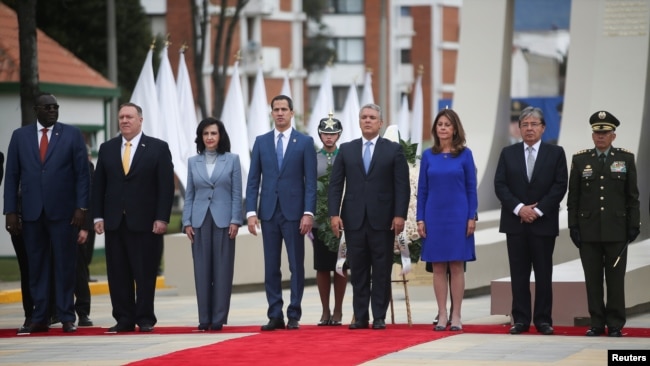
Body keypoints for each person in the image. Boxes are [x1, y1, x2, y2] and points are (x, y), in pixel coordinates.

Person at [3, 93, 90, 334]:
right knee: (36, 266)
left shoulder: (72, 135)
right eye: (47, 107)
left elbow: (82, 174)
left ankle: (66, 316)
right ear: (36, 110)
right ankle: (39, 316)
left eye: (56, 107)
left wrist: (82, 208)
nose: (52, 110)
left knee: (64, 265)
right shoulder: (20, 137)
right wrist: (10, 211)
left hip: (64, 213)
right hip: (31, 213)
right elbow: (11, 176)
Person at [92, 102, 175, 333]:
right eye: (121, 117)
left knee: (145, 272)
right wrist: (97, 216)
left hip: (147, 223)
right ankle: (124, 318)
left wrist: (162, 218)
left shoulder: (158, 148)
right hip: (115, 222)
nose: (125, 121)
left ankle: (145, 317)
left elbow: (165, 187)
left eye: (129, 117)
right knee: (118, 273)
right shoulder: (107, 148)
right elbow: (99, 185)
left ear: (140, 120)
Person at [328, 103, 410, 330]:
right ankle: (361, 315)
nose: (367, 120)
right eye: (364, 117)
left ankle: (379, 316)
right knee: (359, 269)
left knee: (381, 269)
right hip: (353, 220)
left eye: (372, 117)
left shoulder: (392, 150)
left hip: (383, 221)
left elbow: (402, 186)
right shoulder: (346, 149)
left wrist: (399, 215)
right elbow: (335, 185)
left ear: (380, 123)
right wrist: (334, 214)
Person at [246, 95, 317, 331]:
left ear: (292, 112)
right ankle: (274, 314)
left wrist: (308, 212)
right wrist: (250, 212)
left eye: (284, 109)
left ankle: (294, 313)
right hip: (268, 213)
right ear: (271, 113)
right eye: (275, 109)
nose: (279, 113)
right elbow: (253, 179)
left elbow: (310, 181)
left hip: (295, 213)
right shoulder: (261, 141)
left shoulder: (305, 142)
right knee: (271, 266)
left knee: (296, 265)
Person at [494, 106, 567, 336]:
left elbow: (560, 185)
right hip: (516, 224)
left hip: (543, 224)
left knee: (544, 273)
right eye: (524, 124)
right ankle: (521, 319)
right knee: (519, 273)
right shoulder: (508, 153)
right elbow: (500, 185)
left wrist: (539, 210)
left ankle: (543, 319)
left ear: (543, 128)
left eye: (534, 124)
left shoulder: (556, 153)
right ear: (519, 128)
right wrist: (519, 209)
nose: (529, 128)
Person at [567, 111, 640, 338]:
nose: (601, 137)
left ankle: (616, 323)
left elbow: (632, 196)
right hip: (588, 230)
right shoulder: (580, 160)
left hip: (616, 229)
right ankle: (597, 322)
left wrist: (633, 224)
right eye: (597, 133)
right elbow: (573, 198)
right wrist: (573, 226)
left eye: (605, 133)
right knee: (593, 279)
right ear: (592, 135)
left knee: (616, 279)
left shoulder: (625, 159)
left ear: (613, 136)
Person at [416, 108, 477, 332]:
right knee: (438, 266)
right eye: (439, 124)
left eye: (447, 125)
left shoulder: (465, 154)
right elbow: (422, 189)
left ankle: (457, 314)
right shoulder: (428, 155)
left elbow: (472, 188)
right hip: (434, 216)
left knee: (457, 266)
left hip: (459, 216)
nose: (442, 128)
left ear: (454, 129)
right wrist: (420, 218)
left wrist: (472, 216)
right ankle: (442, 314)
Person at [182, 117, 242, 331]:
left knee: (223, 269)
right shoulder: (192, 161)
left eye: (213, 133)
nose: (209, 137)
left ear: (220, 136)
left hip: (225, 221)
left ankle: (217, 318)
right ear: (200, 137)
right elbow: (189, 194)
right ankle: (204, 318)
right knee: (201, 270)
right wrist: (186, 221)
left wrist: (236, 219)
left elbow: (237, 192)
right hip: (199, 220)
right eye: (205, 133)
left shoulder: (232, 160)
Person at [312, 114, 347, 326]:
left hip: (343, 219)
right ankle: (325, 310)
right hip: (320, 219)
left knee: (341, 265)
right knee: (322, 265)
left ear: (339, 135)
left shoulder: (346, 156)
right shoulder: (314, 158)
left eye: (333, 134)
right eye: (325, 133)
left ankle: (338, 310)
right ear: (320, 134)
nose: (329, 137)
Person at [75, 151, 96, 327]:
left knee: (79, 270)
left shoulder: (86, 166)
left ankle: (83, 312)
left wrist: (85, 227)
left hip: (78, 223)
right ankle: (55, 311)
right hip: (53, 222)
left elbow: (90, 197)